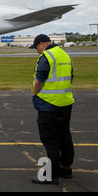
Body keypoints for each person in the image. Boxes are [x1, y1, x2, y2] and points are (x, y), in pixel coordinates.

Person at [30, 34, 75, 184]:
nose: (37, 51)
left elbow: (39, 80)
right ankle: (66, 169)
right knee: (65, 137)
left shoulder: (47, 56)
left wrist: (34, 94)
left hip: (48, 105)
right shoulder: (64, 55)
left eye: (37, 48)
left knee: (50, 141)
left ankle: (51, 175)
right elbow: (71, 76)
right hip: (65, 102)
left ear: (42, 44)